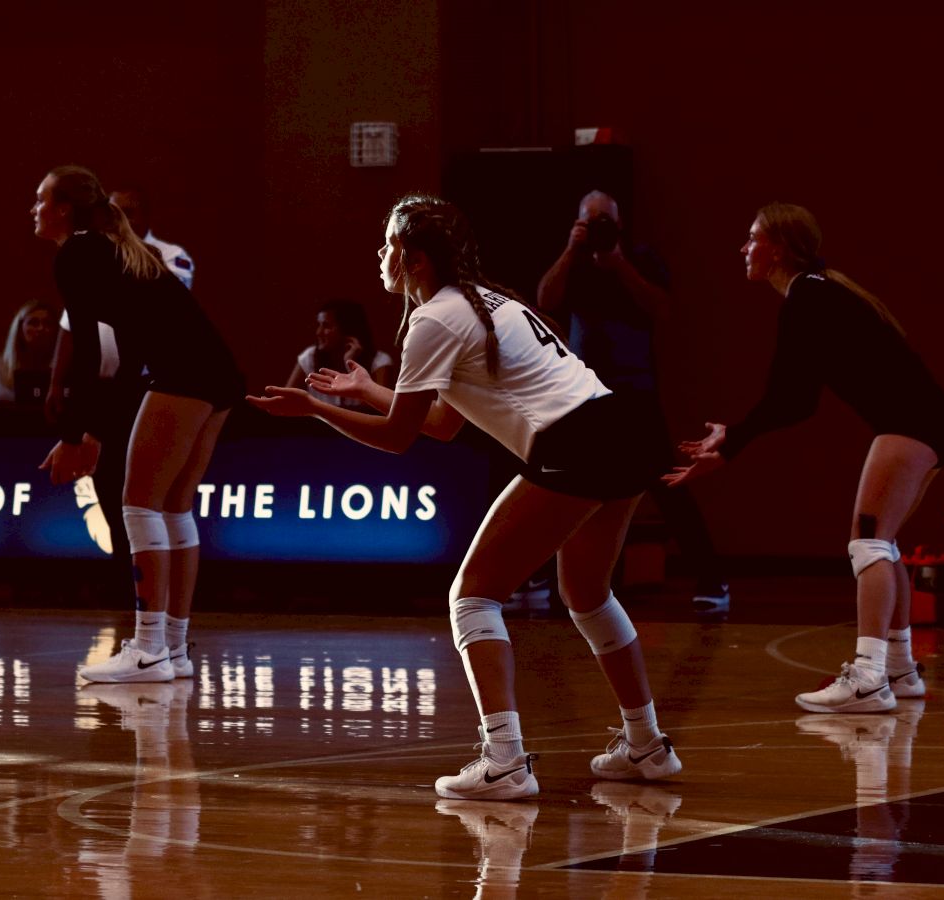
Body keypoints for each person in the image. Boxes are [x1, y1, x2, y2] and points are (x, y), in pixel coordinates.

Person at [249, 194, 682, 800]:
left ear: (416, 259)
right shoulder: (484, 301)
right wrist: (369, 389)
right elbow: (443, 424)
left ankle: (505, 761)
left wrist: (315, 408)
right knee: (586, 591)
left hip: (578, 442)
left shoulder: (433, 319)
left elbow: (400, 439)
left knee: (471, 596)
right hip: (621, 431)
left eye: (388, 245)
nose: (380, 255)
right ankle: (647, 747)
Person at [666, 202, 944, 714]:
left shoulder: (807, 299)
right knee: (881, 542)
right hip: (931, 421)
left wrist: (731, 444)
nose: (744, 248)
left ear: (778, 247)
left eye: (752, 237)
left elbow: (787, 401)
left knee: (867, 542)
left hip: (914, 422)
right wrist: (734, 438)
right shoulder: (818, 294)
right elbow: (797, 402)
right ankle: (899, 668)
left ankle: (869, 679)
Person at [32, 164, 242, 683]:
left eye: (40, 200)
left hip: (184, 373)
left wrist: (71, 436)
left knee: (139, 504)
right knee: (173, 506)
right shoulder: (110, 249)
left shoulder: (78, 252)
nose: (33, 210)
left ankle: (148, 649)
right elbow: (125, 361)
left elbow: (85, 354)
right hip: (218, 373)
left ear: (63, 210)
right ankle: (172, 648)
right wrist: (94, 433)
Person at [538, 190, 730, 614]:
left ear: (619, 225)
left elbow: (661, 310)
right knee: (566, 483)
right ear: (577, 224)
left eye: (604, 221)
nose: (598, 229)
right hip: (584, 392)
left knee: (666, 485)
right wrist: (572, 251)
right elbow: (545, 300)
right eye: (589, 222)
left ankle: (712, 578)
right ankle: (550, 578)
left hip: (636, 390)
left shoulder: (640, 259)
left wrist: (618, 264)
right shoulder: (573, 262)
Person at [45, 183, 198, 611]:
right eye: (112, 211)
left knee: (150, 492)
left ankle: (161, 591)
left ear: (144, 216)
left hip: (155, 386)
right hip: (106, 389)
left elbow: (168, 294)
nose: (119, 219)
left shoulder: (170, 254)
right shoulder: (93, 257)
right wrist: (57, 384)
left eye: (127, 211)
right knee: (106, 484)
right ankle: (123, 578)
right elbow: (71, 329)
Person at [284, 298, 395, 404]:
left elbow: (378, 409)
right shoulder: (310, 357)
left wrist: (350, 364)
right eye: (319, 325)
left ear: (347, 329)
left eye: (326, 326)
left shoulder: (380, 362)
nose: (319, 332)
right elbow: (285, 401)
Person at [0, 300, 58, 404]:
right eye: (33, 323)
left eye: (47, 323)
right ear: (19, 329)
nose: (41, 328)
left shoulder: (62, 369)